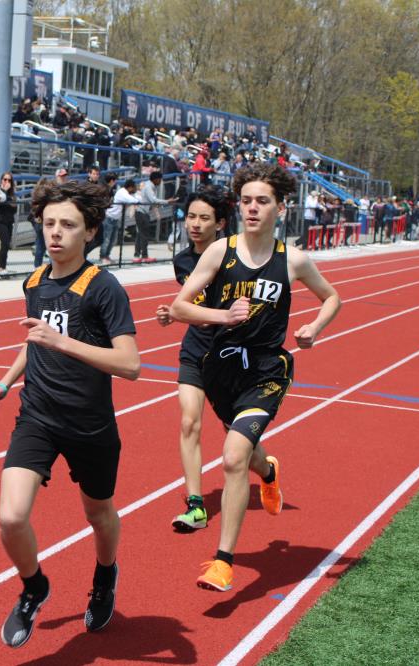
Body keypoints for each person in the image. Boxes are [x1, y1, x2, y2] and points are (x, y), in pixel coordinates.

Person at [0, 180, 140, 647]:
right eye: (49, 223)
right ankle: (34, 587)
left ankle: (105, 575)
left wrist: (63, 342)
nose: (55, 232)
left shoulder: (103, 288)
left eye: (67, 225)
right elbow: (36, 341)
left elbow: (130, 364)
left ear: (90, 232)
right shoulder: (34, 282)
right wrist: (5, 383)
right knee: (11, 518)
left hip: (90, 425)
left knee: (99, 514)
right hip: (38, 417)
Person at [170, 162, 341, 592]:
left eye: (262, 201)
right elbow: (179, 307)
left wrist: (314, 328)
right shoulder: (219, 251)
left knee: (232, 457)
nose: (252, 208)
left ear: (280, 208)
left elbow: (331, 297)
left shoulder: (293, 260)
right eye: (246, 200)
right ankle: (268, 472)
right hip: (221, 368)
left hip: (266, 372)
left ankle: (222, 561)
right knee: (246, 454)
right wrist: (222, 316)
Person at [155, 186, 231, 533]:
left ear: (220, 224)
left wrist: (195, 314)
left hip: (230, 355)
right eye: (191, 217)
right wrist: (173, 314)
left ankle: (267, 470)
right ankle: (196, 506)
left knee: (238, 440)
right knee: (189, 423)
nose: (195, 224)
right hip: (195, 351)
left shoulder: (234, 261)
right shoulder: (183, 261)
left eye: (204, 218)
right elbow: (190, 303)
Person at [0, 172, 17, 271]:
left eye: (9, 180)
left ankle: (3, 267)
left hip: (9, 222)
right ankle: (0, 267)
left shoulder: (12, 195)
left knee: (6, 245)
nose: (7, 182)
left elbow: (14, 209)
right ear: (1, 180)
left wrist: (8, 197)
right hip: (0, 222)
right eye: (5, 179)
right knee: (5, 243)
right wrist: (4, 192)